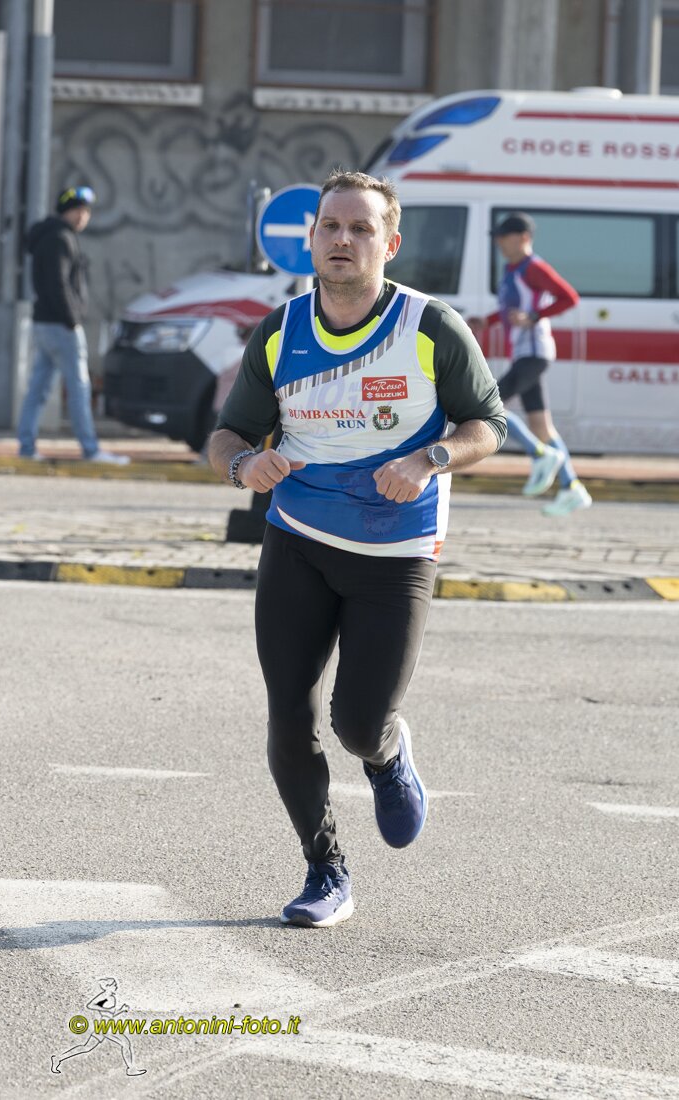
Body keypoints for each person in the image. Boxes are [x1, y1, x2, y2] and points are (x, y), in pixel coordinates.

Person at [205, 170, 506, 928]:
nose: (343, 240)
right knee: (288, 717)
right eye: (330, 227)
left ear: (389, 244)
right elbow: (226, 435)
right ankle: (325, 869)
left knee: (357, 723)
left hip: (397, 552)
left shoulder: (430, 326)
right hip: (299, 541)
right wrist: (244, 466)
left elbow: (488, 424)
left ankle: (387, 754)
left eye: (361, 228)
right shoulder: (281, 332)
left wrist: (429, 460)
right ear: (311, 240)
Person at [487, 212, 591, 516]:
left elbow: (569, 297)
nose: (499, 242)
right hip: (525, 354)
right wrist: (487, 321)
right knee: (541, 425)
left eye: (504, 236)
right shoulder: (511, 269)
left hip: (535, 352)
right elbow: (510, 309)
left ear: (523, 238)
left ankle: (539, 454)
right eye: (497, 237)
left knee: (487, 406)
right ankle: (572, 488)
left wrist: (534, 317)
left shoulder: (533, 267)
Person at [17, 185, 129, 465]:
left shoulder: (48, 235)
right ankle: (90, 449)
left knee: (38, 388)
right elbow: (59, 284)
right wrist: (72, 319)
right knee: (79, 388)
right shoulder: (60, 238)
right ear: (66, 211)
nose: (83, 216)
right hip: (61, 326)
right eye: (78, 210)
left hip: (44, 323)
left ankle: (26, 447)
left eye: (86, 211)